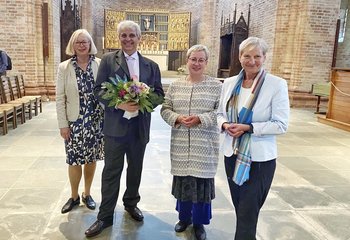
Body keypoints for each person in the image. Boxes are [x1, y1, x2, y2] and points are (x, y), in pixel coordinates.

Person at [85, 20, 164, 238]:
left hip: (139, 128)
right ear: (118, 38)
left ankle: (131, 204)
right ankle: (105, 216)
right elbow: (99, 90)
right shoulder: (109, 61)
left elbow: (159, 93)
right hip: (115, 128)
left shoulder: (151, 65)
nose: (128, 39)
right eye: (124, 36)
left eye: (132, 35)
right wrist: (119, 103)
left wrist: (144, 101)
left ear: (140, 38)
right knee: (111, 171)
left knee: (135, 169)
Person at [217, 37, 290, 240]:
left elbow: (281, 124)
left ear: (264, 57)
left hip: (259, 160)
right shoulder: (230, 83)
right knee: (241, 210)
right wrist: (224, 125)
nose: (252, 61)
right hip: (232, 154)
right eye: (247, 56)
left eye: (257, 56)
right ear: (240, 57)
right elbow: (219, 113)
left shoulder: (276, 85)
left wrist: (249, 128)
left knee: (248, 212)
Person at [161, 44, 222, 240]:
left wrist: (200, 119)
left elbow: (221, 113)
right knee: (184, 182)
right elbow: (165, 108)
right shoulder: (176, 85)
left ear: (206, 63)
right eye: (193, 59)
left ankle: (199, 224)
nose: (196, 63)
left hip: (203, 145)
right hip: (180, 143)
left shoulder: (216, 86)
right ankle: (184, 218)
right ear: (186, 61)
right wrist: (177, 118)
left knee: (200, 185)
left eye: (200, 60)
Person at [56, 29, 104, 214]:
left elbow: (107, 91)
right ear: (72, 46)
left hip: (95, 119)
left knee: (91, 158)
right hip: (74, 121)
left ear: (90, 44)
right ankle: (74, 196)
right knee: (74, 160)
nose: (82, 45)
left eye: (85, 42)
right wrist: (63, 124)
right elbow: (60, 98)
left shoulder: (100, 64)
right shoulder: (64, 67)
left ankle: (87, 193)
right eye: (78, 42)